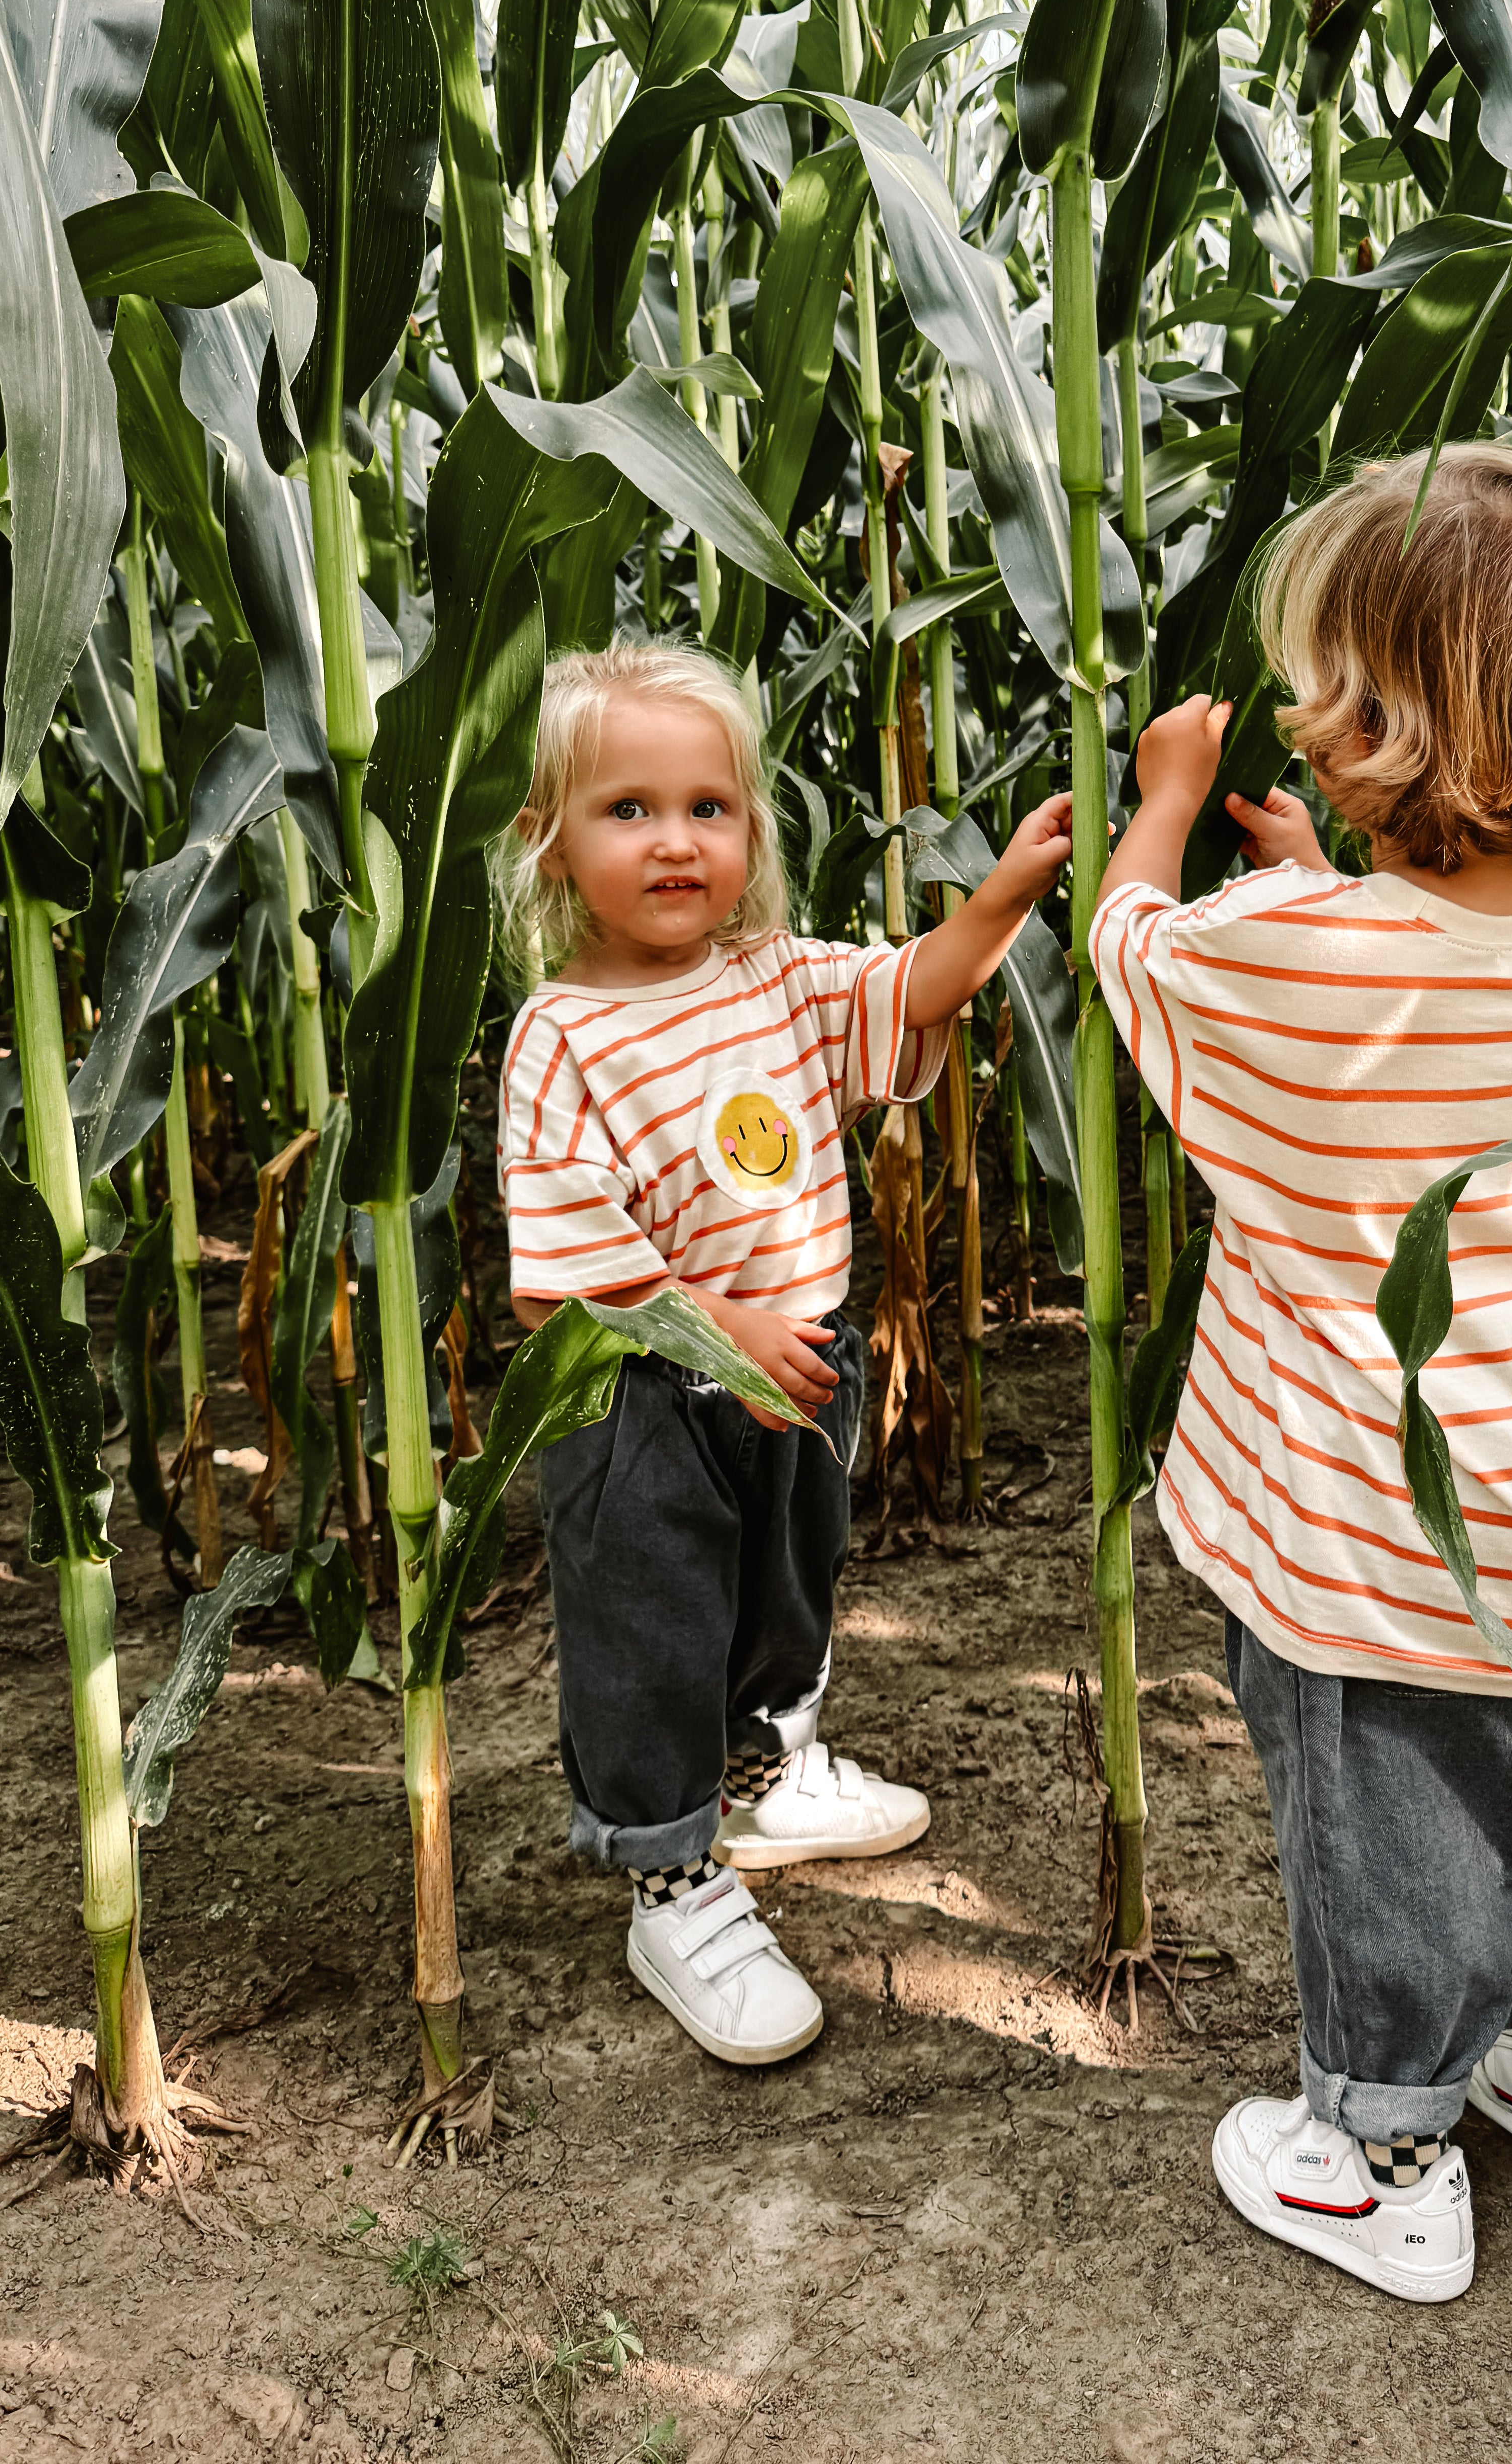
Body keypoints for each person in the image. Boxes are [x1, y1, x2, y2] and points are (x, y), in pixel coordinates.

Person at [1093, 441, 1512, 2305]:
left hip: (1373, 1517)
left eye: (1324, 689)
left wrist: (1167, 810)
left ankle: (1381, 2155)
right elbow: (1411, 982)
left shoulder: (1280, 953)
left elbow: (1142, 970)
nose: (1286, 711)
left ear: (1393, 723)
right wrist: (1317, 872)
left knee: (1393, 1823)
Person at [494, 641, 1072, 2067]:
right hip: (644, 1400)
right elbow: (555, 1282)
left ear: (753, 831)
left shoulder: (781, 979)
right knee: (651, 1629)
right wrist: (714, 1321)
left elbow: (917, 991)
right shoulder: (562, 1038)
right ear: (551, 845)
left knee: (784, 1594)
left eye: (709, 807)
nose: (675, 839)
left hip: (795, 1371)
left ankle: (768, 1774)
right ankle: (671, 1877)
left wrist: (1003, 895)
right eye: (626, 809)